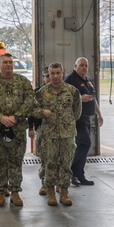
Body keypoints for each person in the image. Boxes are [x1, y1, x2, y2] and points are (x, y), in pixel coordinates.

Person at [0, 53, 47, 208]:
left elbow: (29, 102)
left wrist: (16, 117)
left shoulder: (22, 82)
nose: (8, 65)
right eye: (5, 63)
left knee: (16, 161)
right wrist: (1, 117)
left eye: (10, 62)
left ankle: (15, 192)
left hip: (16, 129)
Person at [37, 62, 82, 206]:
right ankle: (50, 193)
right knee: (50, 163)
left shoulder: (72, 91)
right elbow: (33, 110)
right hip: (49, 135)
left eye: (58, 73)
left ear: (63, 73)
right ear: (48, 75)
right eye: (52, 73)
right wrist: (42, 113)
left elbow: (77, 112)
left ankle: (64, 193)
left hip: (67, 134)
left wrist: (66, 123)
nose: (55, 76)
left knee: (66, 164)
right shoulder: (42, 93)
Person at [65, 57, 103, 186]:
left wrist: (99, 114)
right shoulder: (70, 80)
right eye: (81, 65)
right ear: (75, 66)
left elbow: (93, 98)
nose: (84, 68)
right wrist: (80, 99)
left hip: (87, 117)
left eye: (86, 66)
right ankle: (73, 173)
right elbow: (65, 99)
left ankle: (79, 175)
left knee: (84, 145)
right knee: (85, 143)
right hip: (76, 118)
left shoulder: (88, 80)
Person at [28, 67, 50, 196]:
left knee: (60, 158)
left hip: (60, 130)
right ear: (43, 78)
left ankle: (59, 184)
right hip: (41, 128)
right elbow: (31, 111)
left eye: (51, 75)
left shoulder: (66, 91)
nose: (49, 78)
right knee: (45, 157)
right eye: (46, 76)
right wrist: (30, 128)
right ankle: (44, 184)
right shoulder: (37, 92)